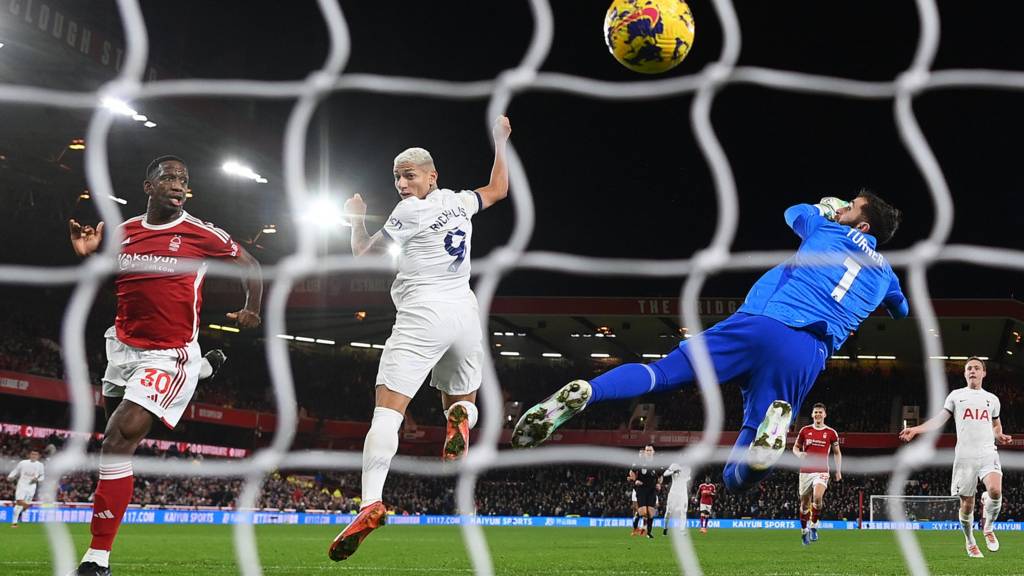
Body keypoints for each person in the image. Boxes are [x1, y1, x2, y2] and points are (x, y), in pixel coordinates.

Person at [513, 193, 907, 492]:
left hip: (761, 323)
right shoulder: (886, 276)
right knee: (737, 476)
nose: (844, 209)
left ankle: (589, 391)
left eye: (851, 207)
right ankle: (760, 453)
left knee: (661, 373)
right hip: (806, 352)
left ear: (863, 225)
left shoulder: (827, 228)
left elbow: (793, 213)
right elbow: (902, 311)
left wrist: (825, 208)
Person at [68, 155, 263, 576]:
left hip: (167, 353)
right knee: (115, 447)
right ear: (148, 186)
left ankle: (97, 558)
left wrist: (252, 308)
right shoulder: (124, 233)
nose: (178, 184)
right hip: (121, 347)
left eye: (184, 179)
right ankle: (204, 370)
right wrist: (88, 256)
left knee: (117, 441)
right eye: (169, 177)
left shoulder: (198, 233)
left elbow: (252, 264)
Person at [328, 116, 512, 562]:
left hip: (422, 313)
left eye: (409, 175)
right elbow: (499, 189)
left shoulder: (408, 211)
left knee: (386, 414)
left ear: (432, 175)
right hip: (465, 312)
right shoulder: (459, 201)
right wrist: (500, 141)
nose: (401, 184)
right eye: (396, 177)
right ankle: (459, 423)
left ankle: (370, 501)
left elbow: (362, 256)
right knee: (459, 401)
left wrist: (354, 220)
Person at [900, 357, 1012, 558]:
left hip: (988, 451)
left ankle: (988, 527)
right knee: (967, 504)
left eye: (977, 368)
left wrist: (999, 435)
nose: (972, 371)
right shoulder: (956, 396)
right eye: (969, 368)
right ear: (965, 373)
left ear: (984, 373)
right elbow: (939, 420)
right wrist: (916, 429)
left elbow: (996, 425)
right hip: (965, 456)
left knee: (995, 490)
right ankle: (970, 541)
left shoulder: (992, 399)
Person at [792, 402, 841, 545]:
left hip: (821, 471)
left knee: (818, 497)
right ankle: (804, 531)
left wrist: (838, 470)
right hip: (805, 471)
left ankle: (813, 526)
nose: (818, 414)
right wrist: (799, 454)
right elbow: (795, 448)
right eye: (816, 412)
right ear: (812, 415)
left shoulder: (831, 433)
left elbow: (837, 453)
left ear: (825, 415)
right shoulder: (804, 431)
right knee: (804, 505)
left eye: (821, 412)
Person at [629, 444, 662, 539]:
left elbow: (661, 476)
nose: (648, 452)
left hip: (652, 490)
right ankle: (637, 518)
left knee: (651, 513)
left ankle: (649, 533)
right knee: (644, 512)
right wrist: (635, 480)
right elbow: (631, 472)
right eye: (646, 450)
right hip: (641, 489)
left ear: (653, 452)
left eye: (650, 450)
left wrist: (659, 484)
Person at [7, 449, 44, 527]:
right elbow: (15, 470)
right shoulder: (23, 463)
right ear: (29, 455)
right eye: (32, 454)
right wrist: (10, 476)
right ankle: (14, 523)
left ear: (38, 456)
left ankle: (18, 518)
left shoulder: (40, 465)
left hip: (32, 487)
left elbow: (42, 476)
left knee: (22, 505)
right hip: (22, 485)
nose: (34, 456)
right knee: (19, 501)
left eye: (35, 454)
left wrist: (37, 479)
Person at [662, 463, 691, 535]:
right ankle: (665, 528)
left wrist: (681, 472)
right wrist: (674, 471)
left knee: (683, 511)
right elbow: (665, 474)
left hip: (683, 493)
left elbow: (688, 477)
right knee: (668, 511)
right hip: (673, 493)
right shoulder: (674, 465)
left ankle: (682, 530)